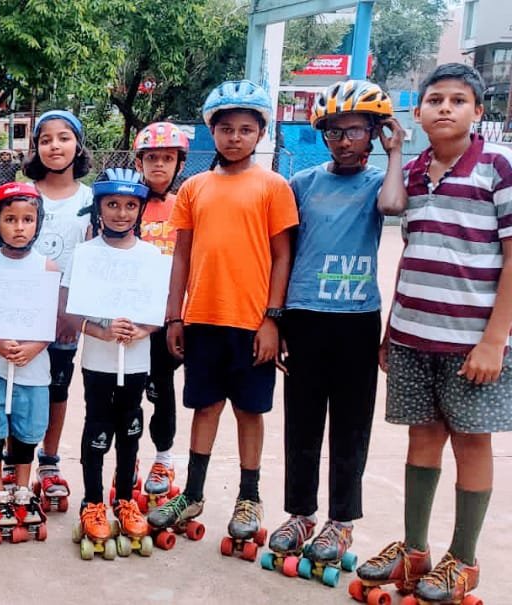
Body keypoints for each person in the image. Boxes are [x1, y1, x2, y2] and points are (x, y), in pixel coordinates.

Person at [356, 63, 512, 604]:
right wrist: (391, 329)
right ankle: (414, 549)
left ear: (478, 111)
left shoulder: (498, 167)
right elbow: (413, 253)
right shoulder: (417, 170)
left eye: (458, 100)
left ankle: (463, 559)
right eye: (435, 100)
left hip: (473, 344)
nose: (445, 108)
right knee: (421, 440)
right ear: (418, 112)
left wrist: (495, 339)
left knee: (471, 443)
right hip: (411, 337)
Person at [146, 81, 298, 556]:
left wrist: (273, 319)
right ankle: (192, 495)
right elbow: (181, 257)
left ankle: (249, 499)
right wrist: (175, 317)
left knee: (250, 411)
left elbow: (282, 257)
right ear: (212, 131)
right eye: (226, 128)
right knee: (205, 407)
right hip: (203, 319)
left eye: (246, 129)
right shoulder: (194, 187)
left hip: (252, 321)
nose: (235, 137)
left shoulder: (274, 186)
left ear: (260, 134)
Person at [261, 80, 403, 572]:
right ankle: (300, 513)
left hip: (357, 320)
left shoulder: (379, 184)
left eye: (356, 131)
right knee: (301, 423)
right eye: (334, 132)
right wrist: (275, 319)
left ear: (375, 132)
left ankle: (341, 519)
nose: (344, 141)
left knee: (350, 426)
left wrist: (396, 152)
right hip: (305, 316)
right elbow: (283, 252)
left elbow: (392, 208)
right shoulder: (303, 184)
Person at [70, 168, 158, 558]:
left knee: (131, 427)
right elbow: (71, 314)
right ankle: (92, 501)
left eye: (129, 205)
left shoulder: (151, 255)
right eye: (112, 205)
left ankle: (124, 497)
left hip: (137, 360)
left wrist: (142, 331)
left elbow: (161, 310)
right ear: (99, 208)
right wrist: (102, 332)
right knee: (98, 428)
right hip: (99, 361)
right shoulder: (86, 255)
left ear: (139, 209)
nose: (121, 213)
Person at [0, 181, 55, 537]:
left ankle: (22, 486)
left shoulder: (46, 267)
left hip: (33, 366)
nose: (19, 227)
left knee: (28, 429)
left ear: (38, 223)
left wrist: (34, 347)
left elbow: (52, 321)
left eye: (27, 219)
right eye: (10, 219)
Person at [25, 109, 93, 507]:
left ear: (78, 145)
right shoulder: (23, 193)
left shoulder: (90, 200)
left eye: (64, 137)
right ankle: (14, 460)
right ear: (36, 146)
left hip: (66, 316)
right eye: (45, 139)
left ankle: (48, 462)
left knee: (57, 387)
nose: (55, 146)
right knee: (15, 387)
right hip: (22, 311)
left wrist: (71, 311)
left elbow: (91, 259)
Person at [131, 122, 191, 500]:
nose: (159, 166)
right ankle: (130, 456)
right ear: (139, 162)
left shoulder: (185, 204)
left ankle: (164, 457)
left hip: (169, 318)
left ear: (179, 164)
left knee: (162, 391)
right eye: (152, 158)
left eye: (167, 159)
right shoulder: (129, 202)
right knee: (129, 393)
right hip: (132, 318)